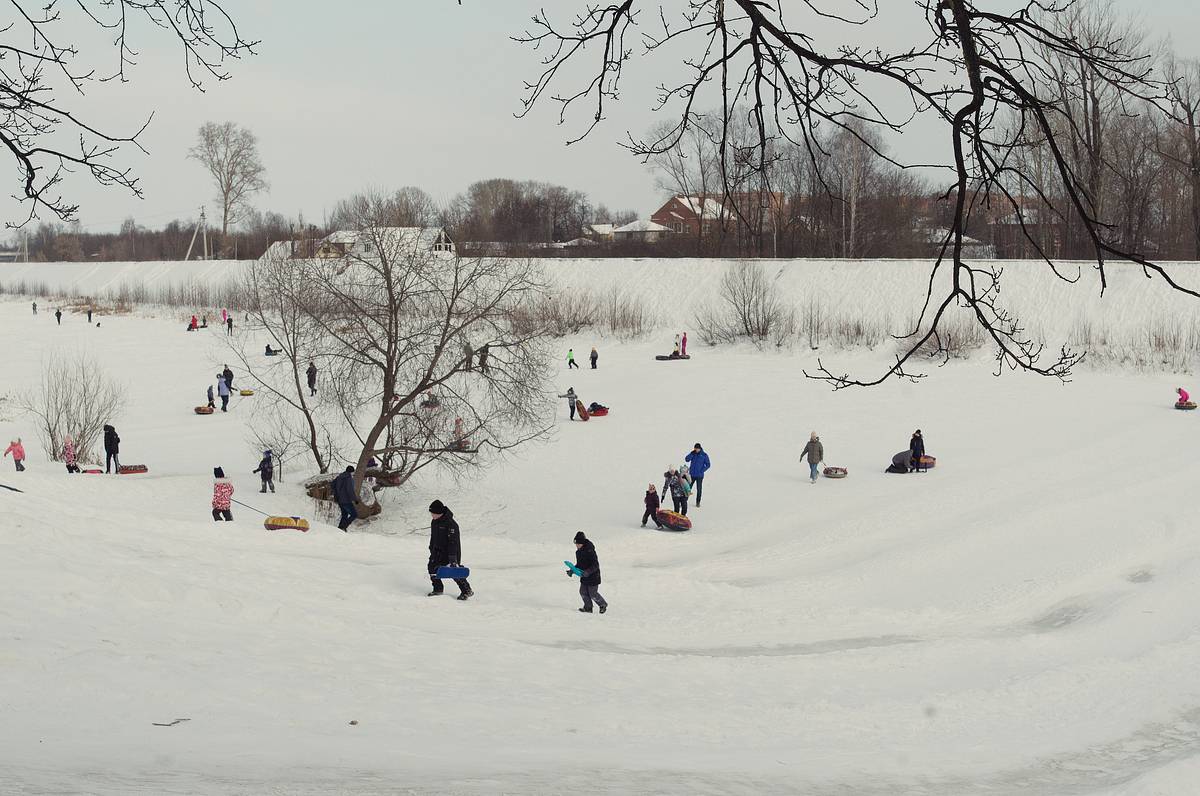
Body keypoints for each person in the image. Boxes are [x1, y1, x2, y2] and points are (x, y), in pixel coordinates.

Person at [427, 499, 473, 599]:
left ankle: (466, 591)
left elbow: (453, 542)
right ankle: (438, 589)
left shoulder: (451, 524)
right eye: (431, 513)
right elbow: (433, 537)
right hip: (437, 551)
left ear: (440, 513)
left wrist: (453, 558)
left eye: (434, 513)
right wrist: (431, 548)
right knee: (432, 568)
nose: (432, 516)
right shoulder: (434, 522)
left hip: (450, 552)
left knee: (454, 572)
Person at [569, 531, 607, 614]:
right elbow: (580, 564)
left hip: (593, 575)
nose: (577, 545)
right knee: (582, 591)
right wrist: (573, 570)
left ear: (582, 543)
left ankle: (603, 604)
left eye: (578, 543)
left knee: (592, 593)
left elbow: (595, 565)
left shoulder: (590, 551)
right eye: (576, 543)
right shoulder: (578, 552)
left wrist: (588, 572)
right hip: (584, 575)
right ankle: (588, 607)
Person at [332, 466, 358, 531]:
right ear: (351, 472)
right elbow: (350, 490)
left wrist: (338, 494)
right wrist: (355, 499)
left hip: (339, 499)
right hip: (346, 500)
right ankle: (343, 527)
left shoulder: (339, 477)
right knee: (354, 514)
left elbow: (332, 485)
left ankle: (340, 528)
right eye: (353, 472)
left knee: (345, 514)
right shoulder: (349, 478)